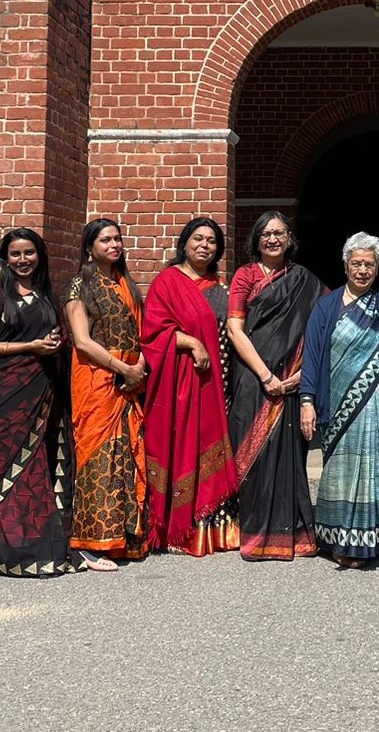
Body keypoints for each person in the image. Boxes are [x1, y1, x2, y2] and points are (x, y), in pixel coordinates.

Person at [0, 228, 74, 577]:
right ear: (5, 258)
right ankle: (7, 554)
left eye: (29, 252)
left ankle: (43, 551)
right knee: (6, 472)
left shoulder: (48, 296)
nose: (23, 259)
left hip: (43, 397)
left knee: (39, 470)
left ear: (39, 256)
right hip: (2, 397)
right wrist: (30, 347)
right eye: (15, 254)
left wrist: (57, 346)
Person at [299, 232, 379, 566]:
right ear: (345, 265)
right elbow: (312, 356)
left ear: (377, 268)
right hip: (339, 406)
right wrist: (307, 401)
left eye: (369, 264)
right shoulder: (326, 307)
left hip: (378, 405)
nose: (363, 270)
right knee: (340, 470)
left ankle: (372, 538)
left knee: (377, 467)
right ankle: (339, 540)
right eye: (357, 263)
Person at [226, 212, 324, 561]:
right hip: (254, 378)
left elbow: (325, 323)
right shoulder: (245, 275)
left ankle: (291, 532)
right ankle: (254, 532)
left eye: (279, 233)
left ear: (289, 238)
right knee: (249, 450)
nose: (273, 239)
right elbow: (235, 329)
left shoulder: (304, 279)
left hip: (292, 380)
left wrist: (306, 370)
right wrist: (266, 376)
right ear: (256, 239)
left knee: (289, 454)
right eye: (266, 233)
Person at [141, 217, 240, 555]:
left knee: (212, 445)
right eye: (198, 238)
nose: (204, 246)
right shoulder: (167, 282)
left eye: (211, 241)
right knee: (181, 444)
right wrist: (191, 342)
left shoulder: (222, 290)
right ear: (184, 243)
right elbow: (152, 332)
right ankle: (176, 528)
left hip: (216, 383)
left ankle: (212, 531)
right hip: (180, 386)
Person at [63, 218, 149, 569]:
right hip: (97, 381)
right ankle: (89, 544)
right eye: (105, 240)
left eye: (117, 239)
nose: (114, 245)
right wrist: (123, 368)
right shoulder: (80, 285)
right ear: (89, 248)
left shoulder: (126, 283)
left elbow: (141, 332)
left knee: (125, 457)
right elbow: (82, 342)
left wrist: (139, 365)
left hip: (128, 382)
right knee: (98, 458)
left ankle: (122, 539)